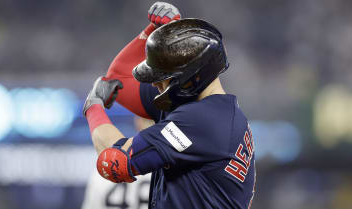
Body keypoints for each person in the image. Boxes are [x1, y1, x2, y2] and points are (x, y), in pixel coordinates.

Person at [83, 2, 256, 209]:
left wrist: (93, 108)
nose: (155, 83)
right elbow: (118, 78)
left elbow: (115, 163)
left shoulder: (200, 121)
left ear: (190, 79)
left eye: (162, 77)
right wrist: (157, 31)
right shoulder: (202, 107)